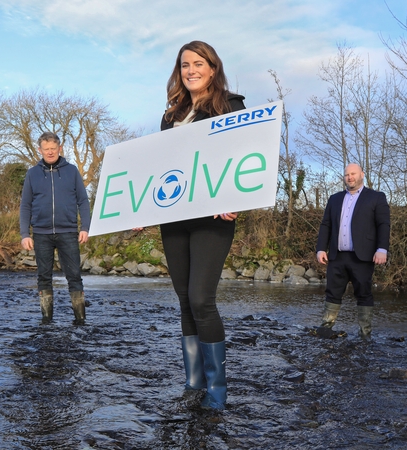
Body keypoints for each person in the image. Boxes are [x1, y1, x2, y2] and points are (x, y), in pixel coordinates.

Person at [158, 40, 244, 410]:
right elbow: (159, 168)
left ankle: (217, 390)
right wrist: (139, 210)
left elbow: (243, 157)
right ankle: (193, 382)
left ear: (212, 68)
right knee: (183, 301)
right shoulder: (170, 115)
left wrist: (236, 197)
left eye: (198, 63)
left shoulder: (232, 106)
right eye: (184, 65)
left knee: (200, 300)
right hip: (174, 218)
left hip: (213, 218)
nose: (190, 70)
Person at [20, 132, 91, 325]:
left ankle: (80, 321)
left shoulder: (72, 171)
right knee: (44, 277)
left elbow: (83, 201)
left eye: (53, 148)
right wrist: (25, 233)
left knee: (74, 277)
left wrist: (85, 227)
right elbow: (25, 205)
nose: (50, 152)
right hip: (41, 233)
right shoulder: (32, 174)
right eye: (46, 149)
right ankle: (46, 321)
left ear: (59, 148)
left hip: (68, 231)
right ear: (40, 150)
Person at [315, 163, 390, 341]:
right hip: (336, 255)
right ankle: (326, 329)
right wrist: (320, 248)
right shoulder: (334, 198)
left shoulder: (376, 197)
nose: (350, 177)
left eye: (353, 174)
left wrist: (382, 249)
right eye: (347, 174)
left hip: (363, 256)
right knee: (332, 292)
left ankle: (365, 335)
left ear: (362, 174)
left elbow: (383, 224)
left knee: (363, 293)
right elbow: (326, 225)